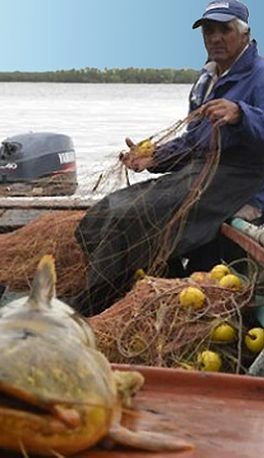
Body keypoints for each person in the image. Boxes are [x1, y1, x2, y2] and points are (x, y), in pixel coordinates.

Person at [74, 0, 264, 315]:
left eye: (224, 30)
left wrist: (241, 114)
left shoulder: (259, 76)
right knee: (104, 211)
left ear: (244, 34)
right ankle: (135, 293)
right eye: (209, 31)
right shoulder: (207, 80)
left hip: (241, 181)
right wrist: (154, 159)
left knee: (129, 217)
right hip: (199, 175)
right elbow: (193, 142)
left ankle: (91, 308)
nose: (215, 38)